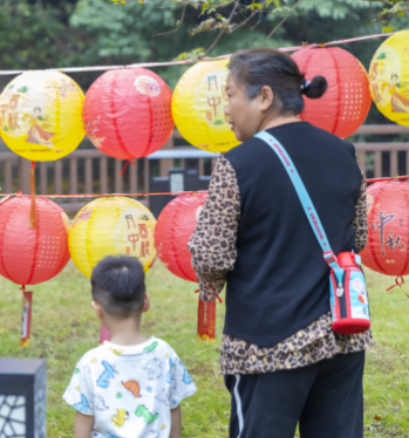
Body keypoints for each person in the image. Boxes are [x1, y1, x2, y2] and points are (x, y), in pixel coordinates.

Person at [188, 48, 372, 438]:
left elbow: (211, 256)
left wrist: (210, 283)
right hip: (342, 334)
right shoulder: (345, 153)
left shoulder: (238, 163)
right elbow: (357, 238)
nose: (227, 109)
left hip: (266, 343)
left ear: (265, 97)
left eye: (231, 95)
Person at [62, 256, 197, 438]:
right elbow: (173, 408)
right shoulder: (164, 352)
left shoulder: (90, 362)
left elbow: (85, 420)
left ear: (97, 309)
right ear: (146, 302)